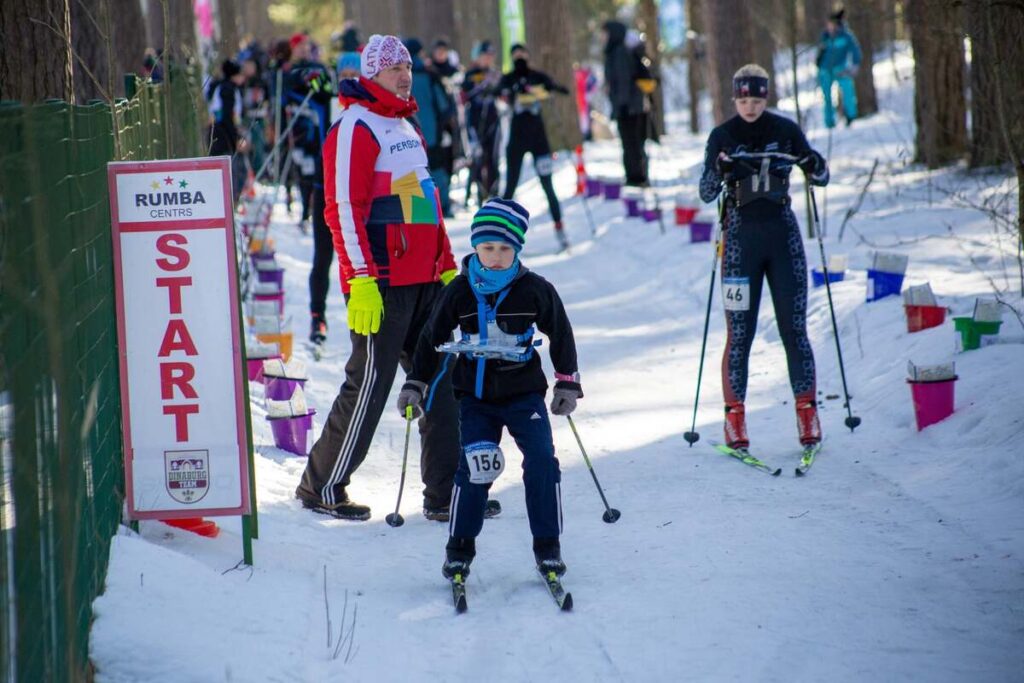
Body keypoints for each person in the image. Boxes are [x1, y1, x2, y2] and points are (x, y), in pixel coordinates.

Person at [294, 34, 465, 522]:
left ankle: (445, 495)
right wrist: (359, 278)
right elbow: (343, 209)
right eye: (393, 69)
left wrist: (446, 262)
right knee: (370, 381)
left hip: (424, 280)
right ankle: (321, 487)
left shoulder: (406, 126)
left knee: (439, 379)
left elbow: (424, 204)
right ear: (370, 75)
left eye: (407, 66)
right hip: (383, 281)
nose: (404, 74)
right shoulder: (354, 126)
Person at [396, 198, 583, 580]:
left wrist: (567, 382)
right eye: (487, 248)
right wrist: (416, 381)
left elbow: (560, 331)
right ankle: (459, 552)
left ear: (516, 248)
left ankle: (548, 547)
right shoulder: (460, 290)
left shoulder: (534, 289)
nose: (495, 257)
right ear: (475, 247)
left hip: (524, 395)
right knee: (476, 469)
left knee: (543, 463)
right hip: (476, 399)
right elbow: (432, 336)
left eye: (504, 248)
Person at [698, 64, 829, 451]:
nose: (750, 107)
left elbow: (821, 175)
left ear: (766, 98)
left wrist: (811, 162)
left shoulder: (784, 130)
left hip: (783, 239)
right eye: (743, 100)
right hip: (739, 245)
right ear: (734, 98)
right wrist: (719, 170)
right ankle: (734, 419)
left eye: (756, 100)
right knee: (740, 335)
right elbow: (706, 191)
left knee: (795, 330)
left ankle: (808, 413)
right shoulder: (723, 135)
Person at [282, 34, 336, 347]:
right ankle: (318, 317)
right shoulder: (325, 96)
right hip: (325, 189)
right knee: (323, 257)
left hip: (360, 198)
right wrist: (306, 76)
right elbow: (288, 85)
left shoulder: (369, 105)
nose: (347, 81)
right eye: (342, 75)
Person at [497, 44, 571, 251]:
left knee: (548, 185)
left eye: (522, 54)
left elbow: (557, 87)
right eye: (515, 55)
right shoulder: (509, 78)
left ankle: (560, 230)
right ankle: (499, 234)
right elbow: (496, 91)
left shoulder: (537, 76)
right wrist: (509, 92)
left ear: (528, 56)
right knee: (510, 186)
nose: (519, 57)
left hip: (539, 139)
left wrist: (546, 91)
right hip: (517, 138)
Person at [405, 38, 457, 219]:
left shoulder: (400, 76)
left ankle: (422, 214)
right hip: (432, 132)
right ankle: (443, 207)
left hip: (408, 133)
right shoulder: (430, 75)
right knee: (437, 170)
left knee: (417, 172)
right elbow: (444, 106)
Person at [602, 21, 655, 187]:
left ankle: (637, 178)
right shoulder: (617, 51)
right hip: (629, 106)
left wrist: (622, 104)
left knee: (632, 144)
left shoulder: (619, 52)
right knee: (632, 143)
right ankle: (636, 176)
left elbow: (623, 80)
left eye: (604, 33)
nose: (602, 37)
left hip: (629, 108)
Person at [461, 40, 502, 206]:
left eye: (490, 56)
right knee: (478, 157)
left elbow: (503, 92)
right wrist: (478, 89)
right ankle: (478, 193)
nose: (487, 59)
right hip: (475, 121)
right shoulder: (470, 74)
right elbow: (464, 95)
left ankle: (494, 193)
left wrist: (495, 90)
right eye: (484, 56)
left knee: (493, 157)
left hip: (493, 119)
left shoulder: (495, 73)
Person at [206, 59, 249, 204]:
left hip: (220, 134)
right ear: (234, 75)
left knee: (236, 171)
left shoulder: (223, 87)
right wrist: (235, 139)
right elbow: (227, 117)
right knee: (234, 173)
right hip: (223, 136)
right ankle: (230, 204)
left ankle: (231, 202)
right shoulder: (228, 89)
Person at [816, 8, 862, 129]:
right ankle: (829, 122)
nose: (829, 27)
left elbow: (856, 51)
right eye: (828, 24)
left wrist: (854, 66)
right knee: (826, 97)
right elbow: (819, 53)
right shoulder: (824, 36)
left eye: (831, 24)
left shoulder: (846, 36)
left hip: (841, 69)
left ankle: (850, 116)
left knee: (848, 91)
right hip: (825, 70)